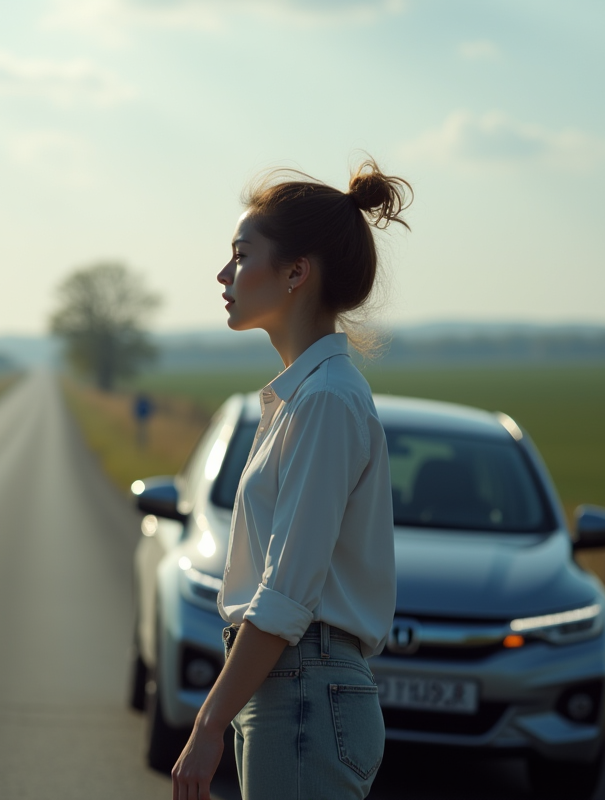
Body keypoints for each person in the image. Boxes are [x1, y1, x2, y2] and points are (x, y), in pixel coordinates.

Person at [170, 158, 411, 800]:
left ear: (297, 272)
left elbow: (287, 591)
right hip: (293, 688)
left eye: (242, 256)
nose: (224, 275)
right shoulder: (306, 396)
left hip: (305, 688)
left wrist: (208, 721)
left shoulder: (325, 400)